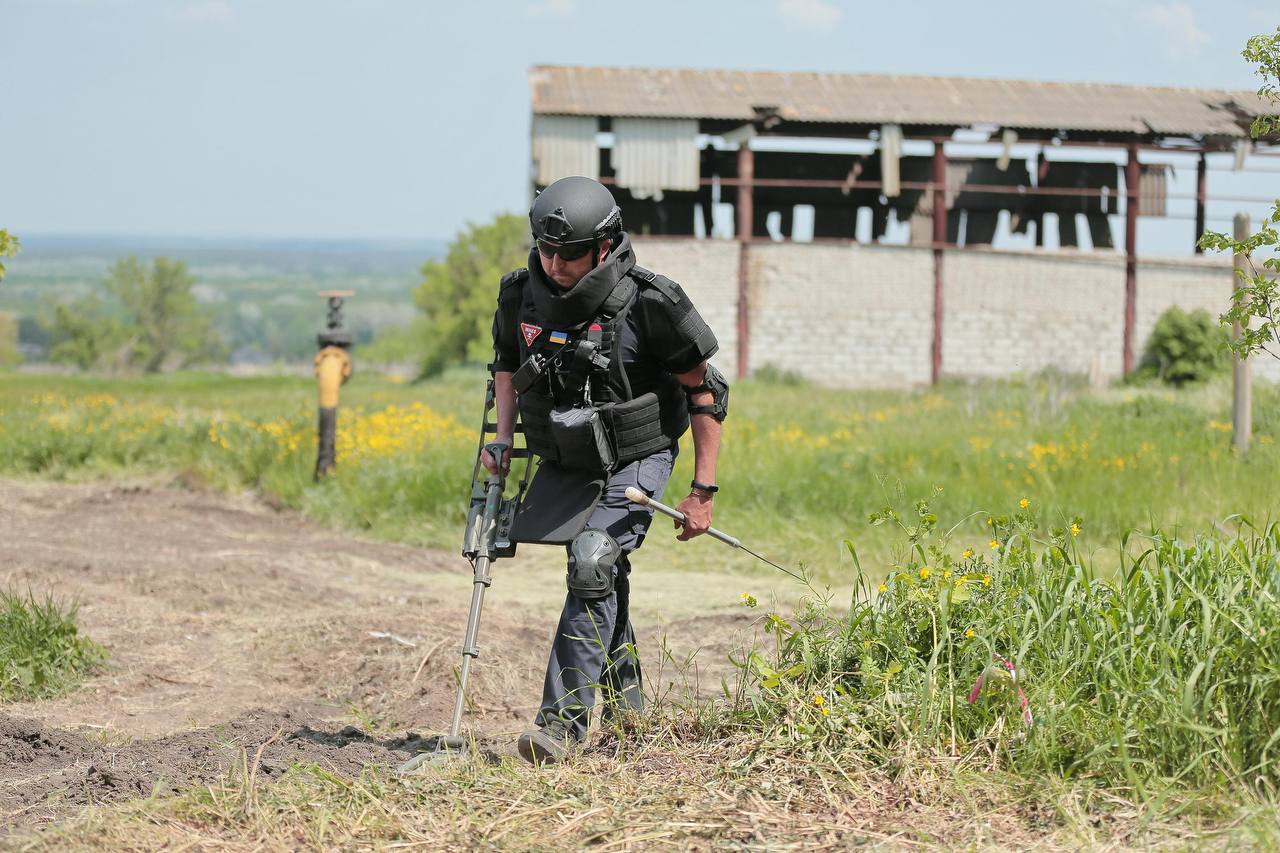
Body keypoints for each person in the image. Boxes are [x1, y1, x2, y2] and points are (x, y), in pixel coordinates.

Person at [483, 175, 729, 765]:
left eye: (568, 253)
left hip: (640, 454)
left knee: (593, 555)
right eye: (545, 250)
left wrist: (703, 490)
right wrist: (502, 440)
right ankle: (628, 709)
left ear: (604, 244)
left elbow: (706, 393)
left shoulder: (652, 302)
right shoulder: (520, 295)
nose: (554, 263)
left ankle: (560, 727)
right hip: (569, 454)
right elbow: (506, 368)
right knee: (604, 574)